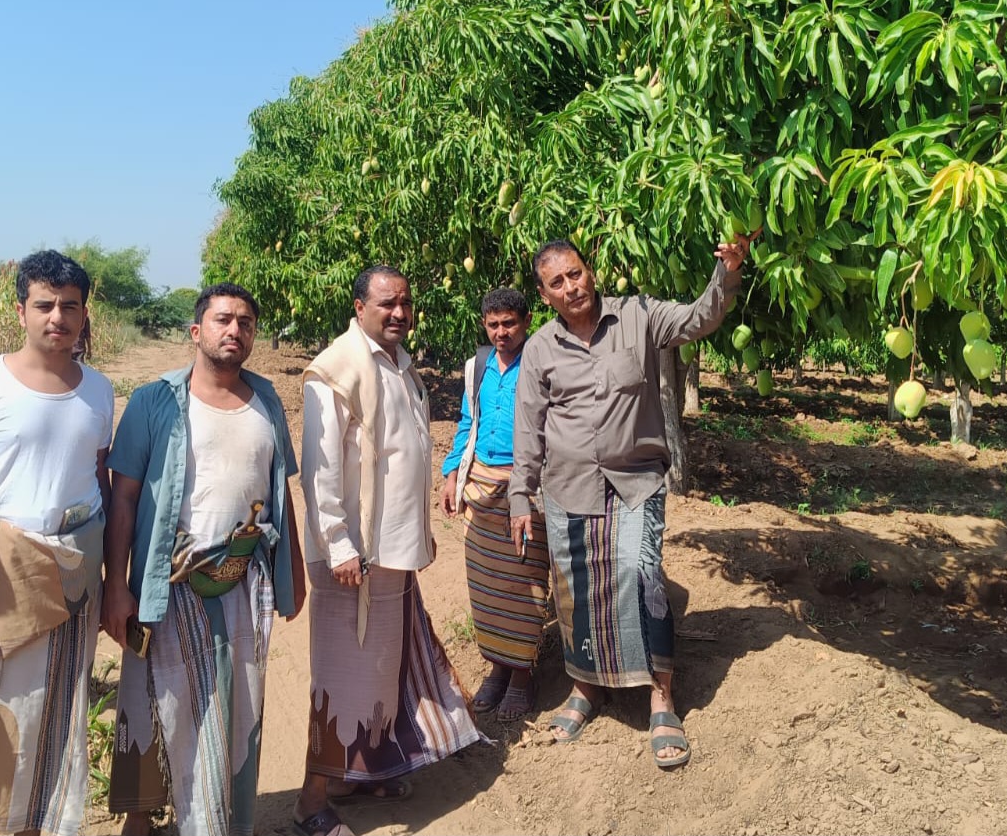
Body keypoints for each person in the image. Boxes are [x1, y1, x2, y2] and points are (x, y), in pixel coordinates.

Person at [509, 234, 752, 769]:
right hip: (567, 488)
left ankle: (661, 695)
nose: (571, 287)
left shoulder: (638, 316)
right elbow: (528, 427)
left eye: (576, 273)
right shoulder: (540, 349)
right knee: (576, 590)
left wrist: (726, 272)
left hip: (635, 481)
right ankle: (585, 688)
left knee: (642, 576)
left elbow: (698, 318)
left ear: (588, 270)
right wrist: (519, 497)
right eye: (557, 282)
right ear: (544, 294)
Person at [102, 283, 306, 836]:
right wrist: (116, 587)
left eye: (245, 322)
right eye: (222, 319)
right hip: (168, 582)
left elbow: (282, 496)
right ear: (197, 331)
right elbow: (122, 497)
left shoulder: (266, 402)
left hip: (242, 579)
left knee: (234, 708)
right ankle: (144, 821)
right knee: (156, 700)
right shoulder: (156, 402)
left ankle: (216, 820)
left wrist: (295, 571)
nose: (234, 330)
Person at [0, 250, 114, 836]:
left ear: (85, 315)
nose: (57, 316)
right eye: (44, 305)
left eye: (70, 306)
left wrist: (107, 583)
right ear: (21, 310)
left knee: (54, 714)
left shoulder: (101, 392)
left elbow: (99, 485)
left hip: (73, 582)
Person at [292, 265, 484, 836]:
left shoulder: (400, 365)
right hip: (352, 557)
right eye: (385, 304)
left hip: (393, 550)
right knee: (339, 674)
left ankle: (359, 773)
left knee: (377, 670)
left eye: (405, 302)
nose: (399, 312)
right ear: (358, 307)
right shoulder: (334, 371)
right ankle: (310, 802)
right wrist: (341, 545)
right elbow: (320, 471)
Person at [439, 287, 549, 722]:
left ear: (526, 322)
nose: (501, 332)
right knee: (486, 582)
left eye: (510, 324)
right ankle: (498, 667)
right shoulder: (478, 366)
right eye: (493, 324)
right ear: (484, 325)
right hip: (481, 481)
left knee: (523, 581)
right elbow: (469, 421)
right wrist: (452, 474)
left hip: (526, 484)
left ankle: (521, 675)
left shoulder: (540, 363)